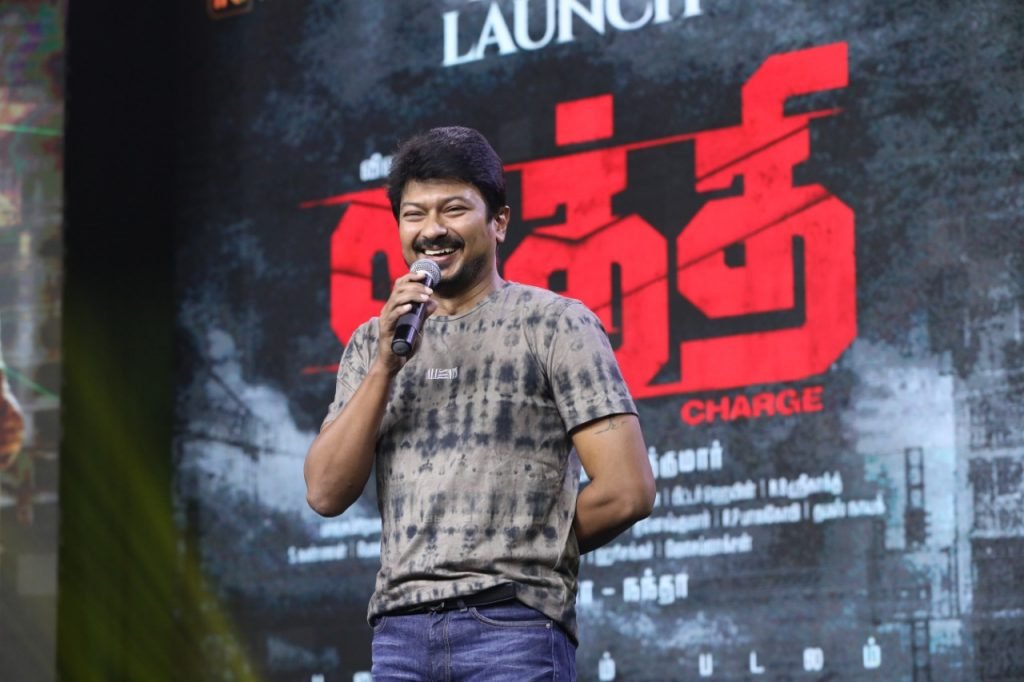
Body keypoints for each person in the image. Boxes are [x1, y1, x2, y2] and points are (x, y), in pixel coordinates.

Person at [304, 126, 655, 681]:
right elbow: (325, 492)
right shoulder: (373, 344)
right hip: (399, 637)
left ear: (499, 221)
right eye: (414, 214)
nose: (432, 230)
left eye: (453, 209)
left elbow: (627, 491)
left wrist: (517, 552)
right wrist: (385, 366)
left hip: (512, 628)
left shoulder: (555, 324)